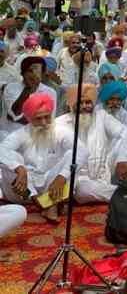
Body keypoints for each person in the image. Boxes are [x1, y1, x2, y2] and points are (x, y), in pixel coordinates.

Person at [0, 93, 80, 222]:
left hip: (50, 186)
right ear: (29, 119)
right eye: (38, 119)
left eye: (47, 117)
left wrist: (61, 177)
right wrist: (19, 168)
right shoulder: (21, 133)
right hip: (22, 190)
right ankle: (45, 203)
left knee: (73, 156)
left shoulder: (61, 131)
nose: (44, 123)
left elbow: (82, 151)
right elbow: (2, 150)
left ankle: (49, 204)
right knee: (12, 158)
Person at [56, 84, 127, 202]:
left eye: (88, 102)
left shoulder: (101, 116)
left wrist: (122, 159)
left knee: (124, 141)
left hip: (104, 172)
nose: (84, 106)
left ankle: (118, 188)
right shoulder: (60, 123)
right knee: (82, 190)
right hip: (79, 180)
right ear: (70, 105)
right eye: (80, 103)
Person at [1, 56, 57, 139]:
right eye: (30, 71)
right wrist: (29, 88)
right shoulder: (11, 88)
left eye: (38, 71)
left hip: (36, 136)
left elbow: (48, 120)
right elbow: (15, 114)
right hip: (10, 134)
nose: (34, 75)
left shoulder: (50, 92)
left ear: (43, 73)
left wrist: (35, 119)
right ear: (22, 73)